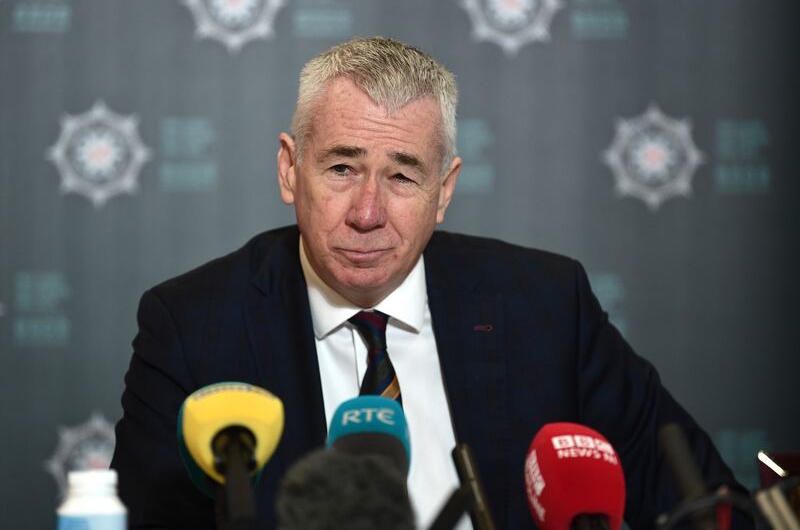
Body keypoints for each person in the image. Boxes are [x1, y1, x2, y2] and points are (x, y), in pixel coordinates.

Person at [111, 37, 744, 529]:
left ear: (444, 192)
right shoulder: (192, 325)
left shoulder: (547, 305)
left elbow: (707, 508)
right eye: (340, 167)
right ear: (289, 169)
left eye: (404, 177)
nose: (367, 212)